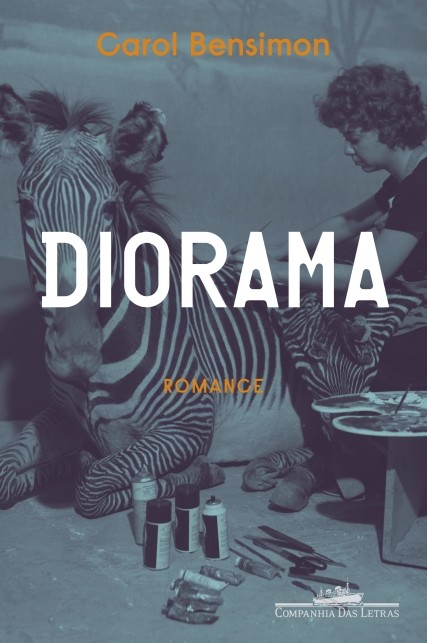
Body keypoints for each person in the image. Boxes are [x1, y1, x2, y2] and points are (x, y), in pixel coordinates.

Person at [230, 63, 427, 510]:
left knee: (375, 358)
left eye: (353, 137)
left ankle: (353, 466)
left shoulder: (422, 185)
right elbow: (347, 222)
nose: (346, 149)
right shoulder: (406, 179)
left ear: (386, 126)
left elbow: (368, 278)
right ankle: (339, 460)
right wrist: (273, 249)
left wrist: (273, 269)